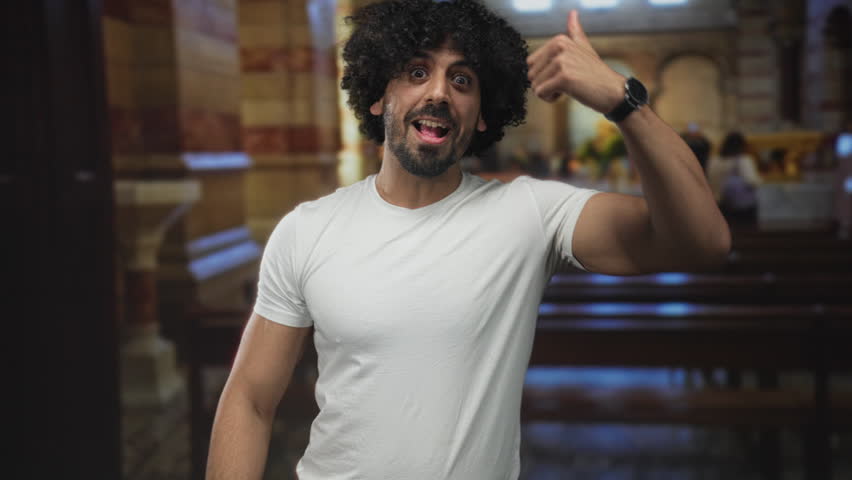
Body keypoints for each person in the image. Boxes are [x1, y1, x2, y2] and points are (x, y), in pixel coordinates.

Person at [206, 1, 730, 479]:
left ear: (481, 115)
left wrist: (622, 99)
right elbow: (250, 398)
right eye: (416, 72)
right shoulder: (307, 229)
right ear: (377, 97)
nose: (438, 91)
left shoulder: (529, 214)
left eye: (461, 80)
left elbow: (702, 241)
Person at [706, 131, 763, 223]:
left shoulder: (714, 161)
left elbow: (709, 179)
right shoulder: (744, 160)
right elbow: (752, 181)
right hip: (740, 207)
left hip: (718, 205)